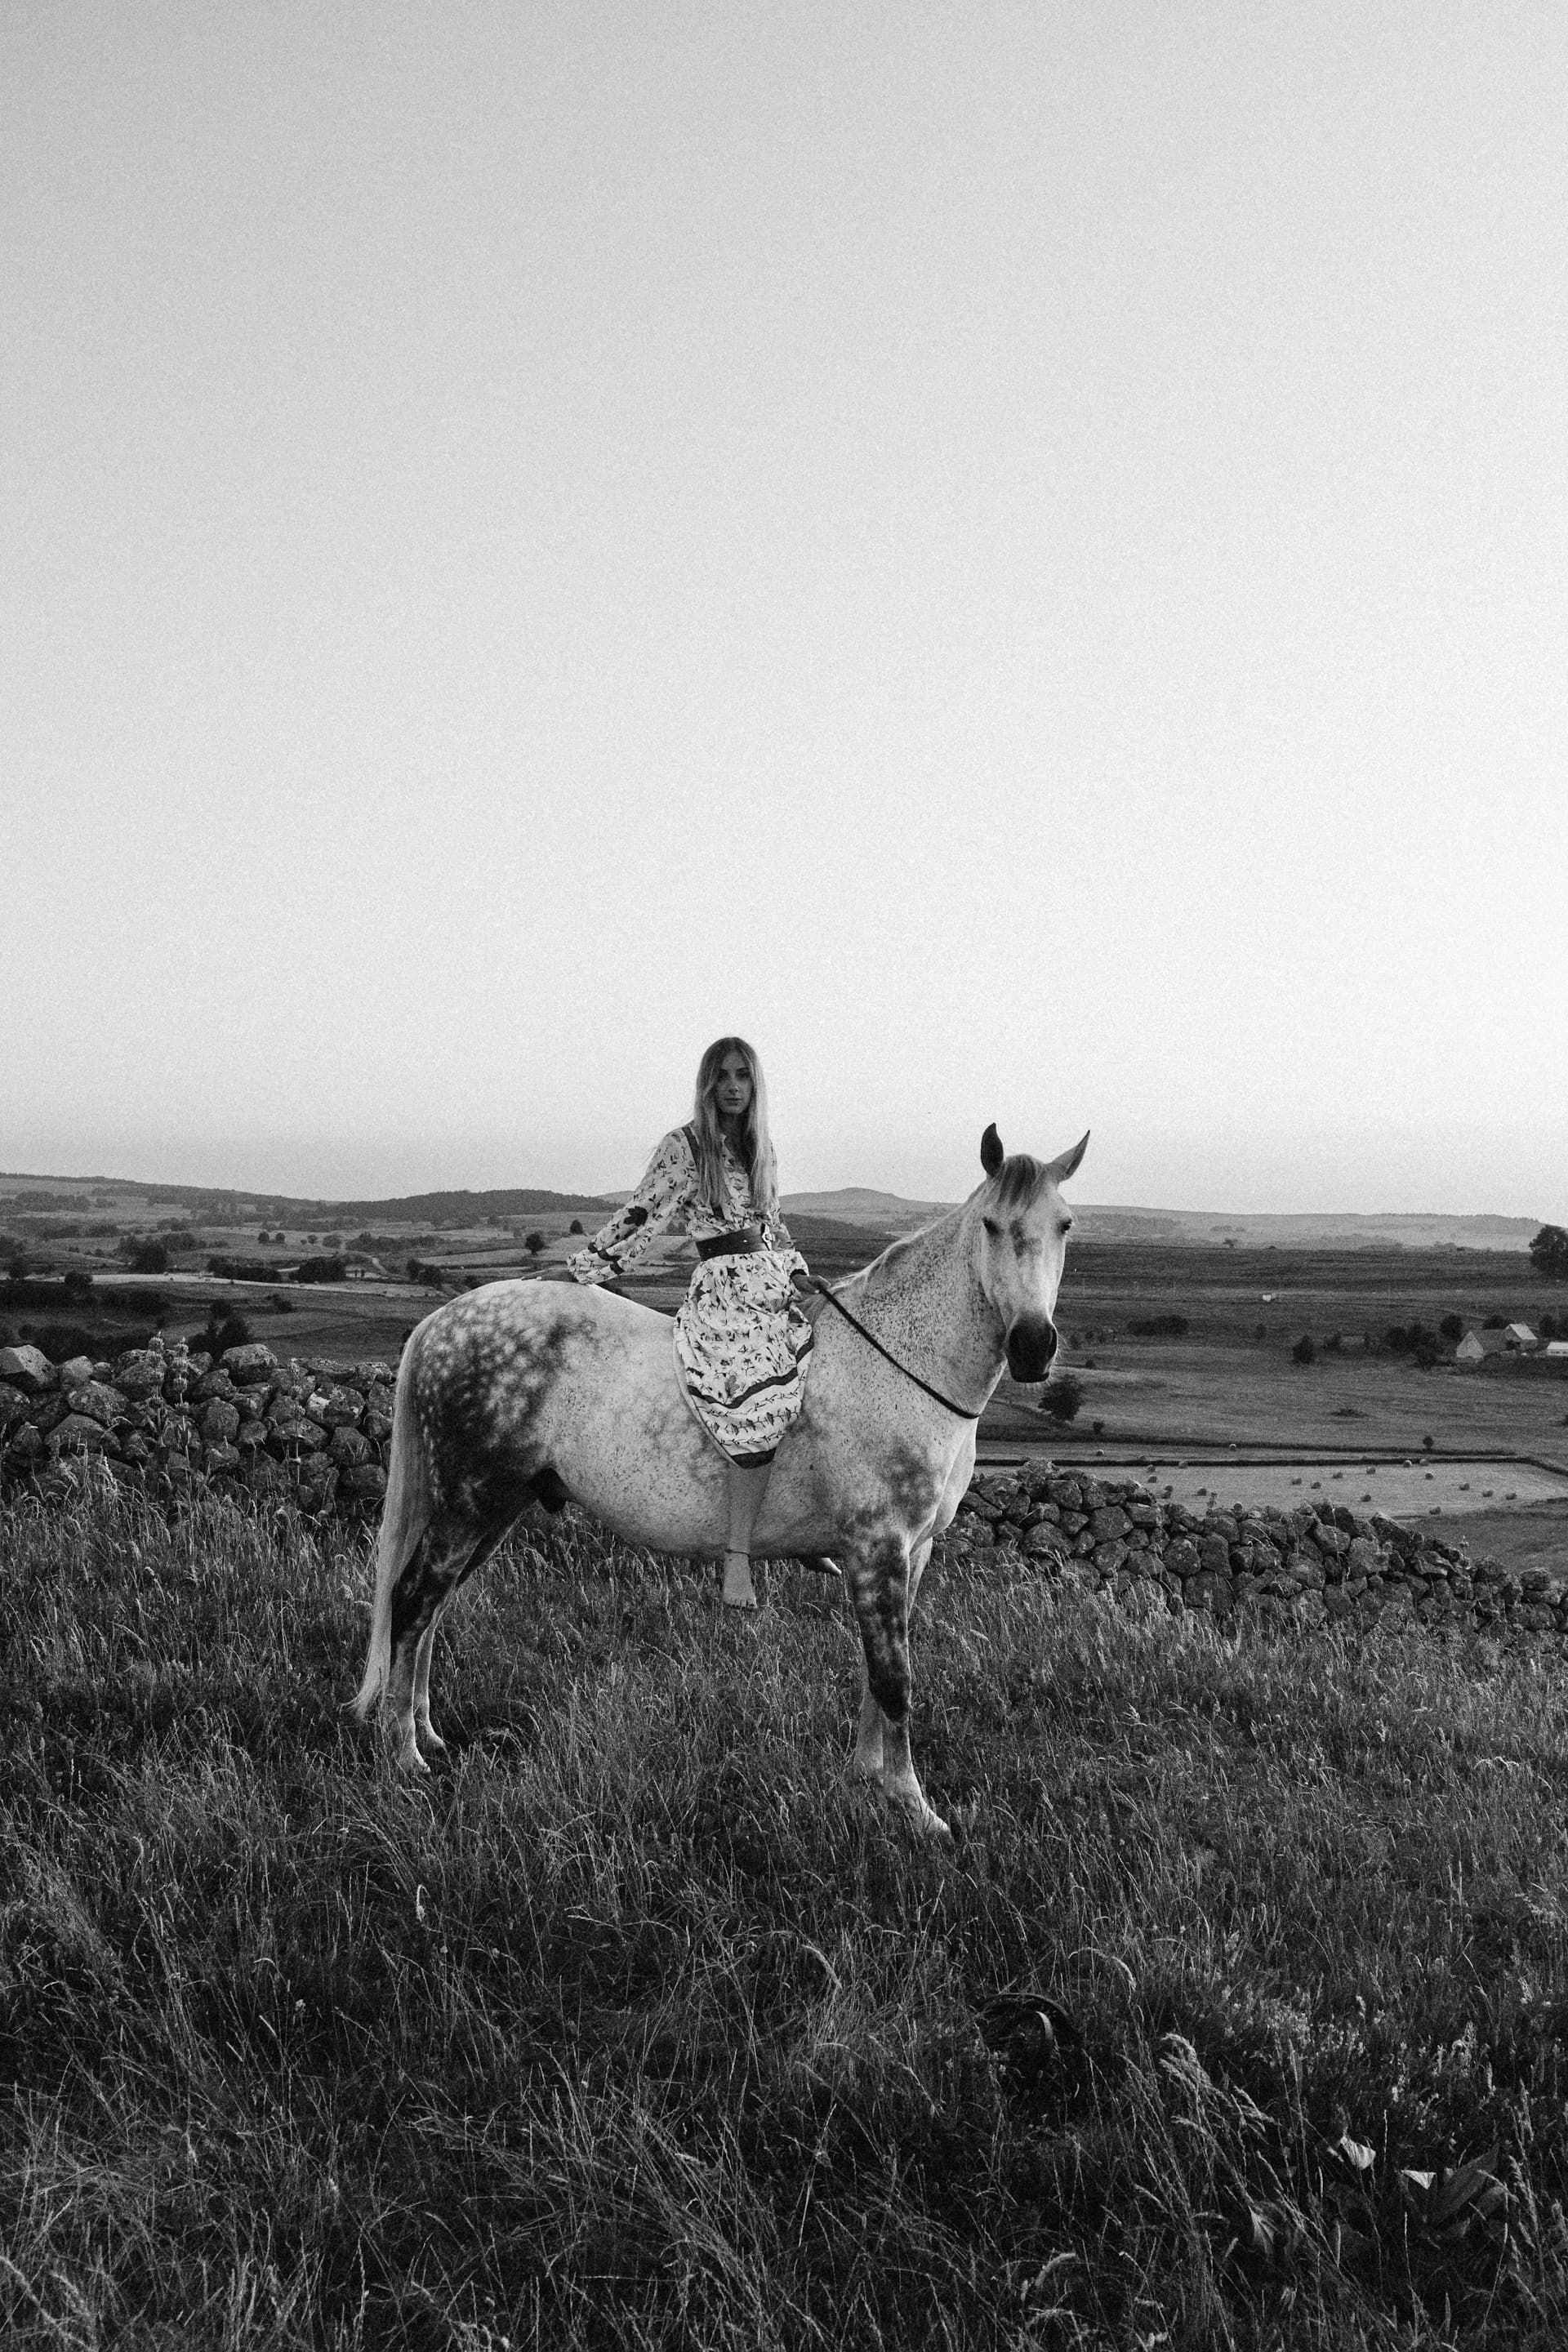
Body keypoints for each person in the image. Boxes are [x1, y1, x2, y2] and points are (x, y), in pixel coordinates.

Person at [543, 1036, 818, 1608]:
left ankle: (797, 1528)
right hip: (725, 1294)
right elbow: (641, 1213)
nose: (734, 1087)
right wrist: (582, 1270)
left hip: (775, 1285)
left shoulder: (761, 1146)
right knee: (755, 1402)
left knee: (822, 1377)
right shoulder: (686, 1146)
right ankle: (738, 1558)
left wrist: (799, 1277)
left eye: (744, 1076)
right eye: (723, 1077)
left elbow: (775, 1226)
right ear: (708, 1085)